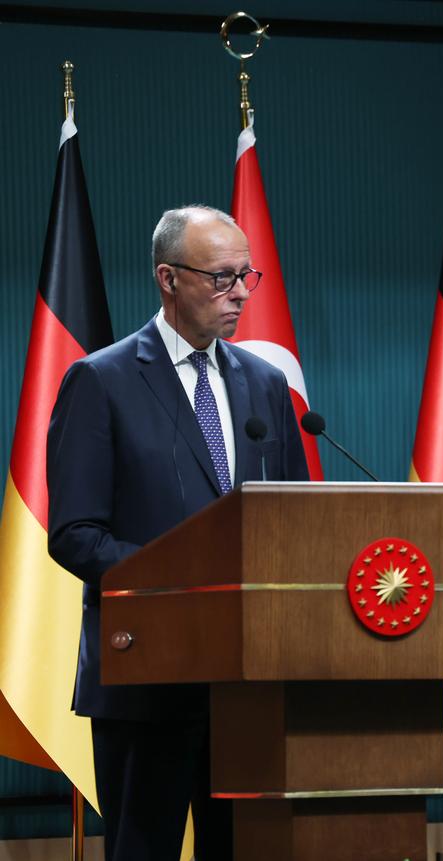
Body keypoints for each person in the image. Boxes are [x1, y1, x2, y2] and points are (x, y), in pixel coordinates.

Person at [47, 205, 310, 860]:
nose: (240, 292)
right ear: (168, 278)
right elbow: (75, 533)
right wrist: (184, 584)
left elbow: (297, 521)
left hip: (248, 683)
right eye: (222, 278)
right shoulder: (101, 380)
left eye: (247, 275)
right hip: (146, 677)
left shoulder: (265, 384)